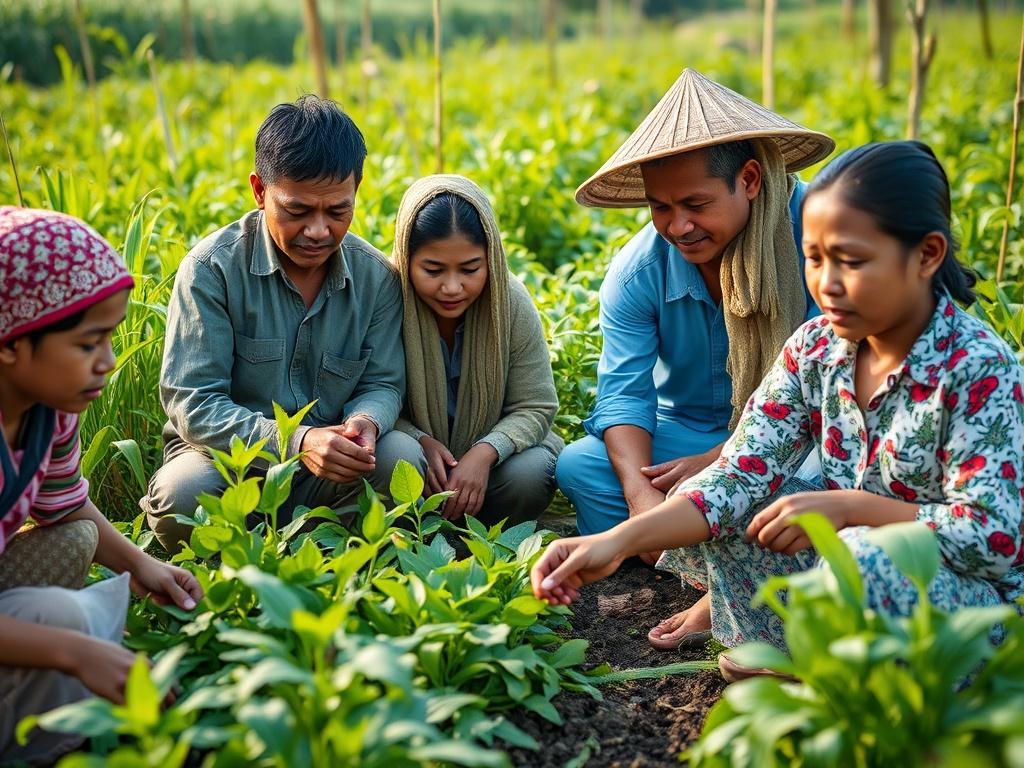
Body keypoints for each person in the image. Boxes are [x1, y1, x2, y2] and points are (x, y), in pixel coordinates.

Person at [532, 141, 1024, 681]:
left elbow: (995, 539)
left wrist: (852, 509)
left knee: (867, 553)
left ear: (926, 255)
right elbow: (735, 474)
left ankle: (823, 668)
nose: (827, 285)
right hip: (851, 573)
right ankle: (784, 645)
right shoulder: (817, 348)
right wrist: (612, 542)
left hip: (970, 613)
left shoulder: (976, 368)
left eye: (852, 262)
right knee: (742, 509)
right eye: (814, 258)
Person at [556, 68, 834, 649]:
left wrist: (723, 457)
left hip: (801, 439)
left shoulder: (817, 242)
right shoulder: (639, 271)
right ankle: (718, 551)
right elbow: (624, 394)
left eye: (696, 204)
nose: (678, 226)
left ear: (751, 180)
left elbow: (827, 402)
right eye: (660, 207)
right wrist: (640, 498)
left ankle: (714, 574)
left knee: (809, 486)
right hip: (688, 435)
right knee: (583, 467)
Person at [141, 96, 424, 553]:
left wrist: (365, 424)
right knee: (183, 495)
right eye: (297, 211)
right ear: (259, 191)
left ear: (357, 190)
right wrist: (296, 439)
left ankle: (333, 559)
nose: (318, 231)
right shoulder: (212, 271)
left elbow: (384, 382)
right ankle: (264, 558)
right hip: (229, 465)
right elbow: (193, 401)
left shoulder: (375, 278)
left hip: (333, 471)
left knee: (401, 459)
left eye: (338, 211)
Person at [0, 207, 204, 763]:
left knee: (74, 546)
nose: (107, 363)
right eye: (88, 344)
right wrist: (75, 654)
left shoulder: (48, 410)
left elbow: (65, 507)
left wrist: (143, 564)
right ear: (11, 344)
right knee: (67, 626)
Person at [391, 175, 563, 525]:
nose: (452, 287)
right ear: (407, 258)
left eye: (470, 269)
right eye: (433, 270)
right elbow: (368, 393)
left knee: (529, 476)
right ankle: (412, 527)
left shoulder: (510, 303)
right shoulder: (387, 297)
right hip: (419, 460)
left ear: (491, 260)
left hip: (494, 465)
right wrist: (418, 438)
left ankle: (479, 529)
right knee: (395, 455)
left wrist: (485, 453)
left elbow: (536, 405)